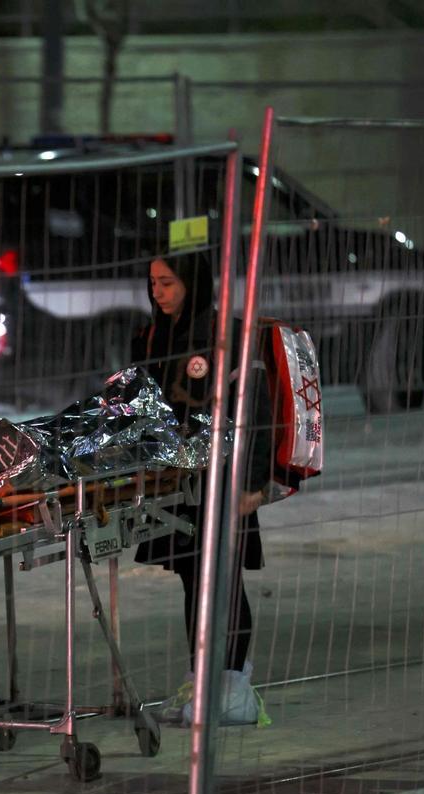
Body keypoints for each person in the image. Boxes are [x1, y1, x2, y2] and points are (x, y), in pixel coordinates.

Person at [131, 250, 292, 727]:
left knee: (223, 579)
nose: (158, 293)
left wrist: (255, 487)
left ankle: (235, 686)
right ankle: (202, 679)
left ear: (193, 284)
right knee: (192, 578)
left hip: (223, 481)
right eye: (153, 283)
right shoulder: (151, 337)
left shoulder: (227, 337)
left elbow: (257, 411)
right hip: (175, 484)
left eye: (167, 283)